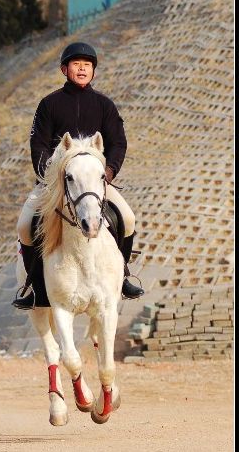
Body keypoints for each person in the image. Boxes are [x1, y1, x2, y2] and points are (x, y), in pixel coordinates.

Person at [13, 41, 144, 309]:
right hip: (55, 183)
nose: (82, 68)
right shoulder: (49, 104)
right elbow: (38, 143)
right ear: (64, 69)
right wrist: (48, 176)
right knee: (25, 226)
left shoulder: (105, 105)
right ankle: (33, 286)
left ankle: (125, 277)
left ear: (93, 71)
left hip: (95, 182)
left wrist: (108, 172)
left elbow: (118, 142)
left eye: (87, 65)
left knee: (128, 219)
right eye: (76, 64)